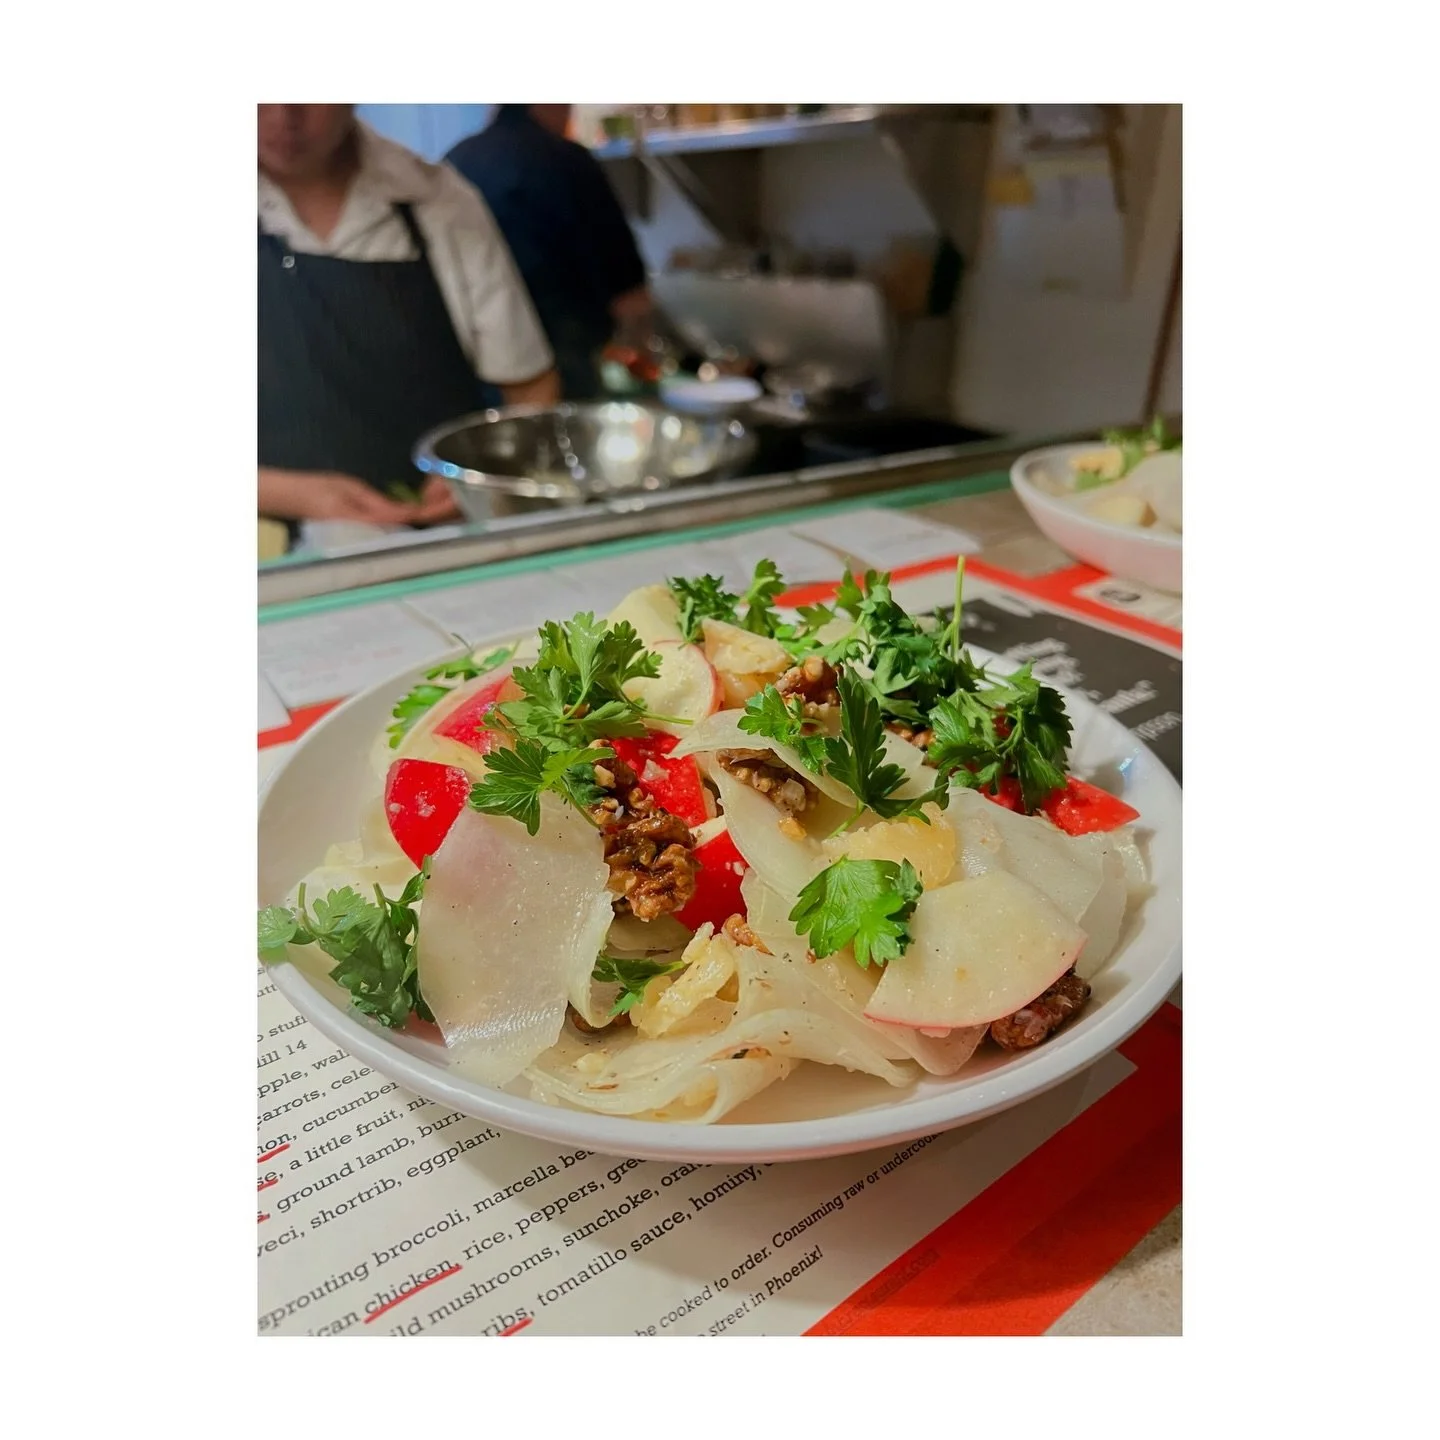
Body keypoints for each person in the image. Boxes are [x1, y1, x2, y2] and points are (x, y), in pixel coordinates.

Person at [258, 104, 560, 530]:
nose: (283, 114)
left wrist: (482, 473)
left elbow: (531, 388)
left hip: (437, 542)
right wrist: (291, 493)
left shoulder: (439, 202)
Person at [445, 105, 653, 401]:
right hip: (563, 372)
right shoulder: (569, 161)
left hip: (472, 375)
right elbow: (631, 300)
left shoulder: (455, 162)